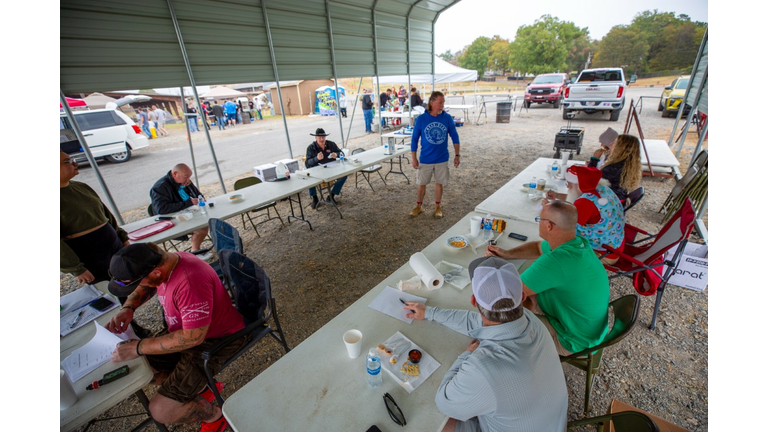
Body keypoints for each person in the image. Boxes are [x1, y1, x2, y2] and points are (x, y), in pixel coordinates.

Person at [403, 256, 568, 431]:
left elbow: (444, 402)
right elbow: (473, 321)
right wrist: (430, 312)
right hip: (552, 424)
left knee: (441, 424)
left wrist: (466, 355)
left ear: (473, 301)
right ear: (522, 297)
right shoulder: (531, 320)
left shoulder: (482, 368)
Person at [106, 242, 248, 431]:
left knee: (161, 411)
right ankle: (200, 389)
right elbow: (145, 287)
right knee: (144, 368)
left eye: (137, 282)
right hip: (187, 332)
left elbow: (192, 338)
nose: (137, 287)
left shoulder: (190, 282)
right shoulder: (165, 261)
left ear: (156, 272)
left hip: (216, 339)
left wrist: (138, 347)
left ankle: (216, 417)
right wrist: (128, 308)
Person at [486, 200, 610, 356]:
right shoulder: (576, 243)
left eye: (539, 219)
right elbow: (538, 247)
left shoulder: (557, 261)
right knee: (524, 298)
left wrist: (488, 270)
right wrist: (507, 254)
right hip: (587, 329)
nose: (538, 222)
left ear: (549, 226)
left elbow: (509, 292)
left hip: (573, 340)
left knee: (500, 320)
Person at [60, 150, 130, 287]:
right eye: (67, 161)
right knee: (112, 290)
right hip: (91, 255)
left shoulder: (82, 187)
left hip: (114, 245)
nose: (75, 163)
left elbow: (106, 215)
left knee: (131, 283)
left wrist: (123, 238)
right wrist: (76, 268)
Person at [545, 165, 625, 262]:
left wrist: (548, 207)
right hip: (614, 242)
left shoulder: (585, 203)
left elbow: (564, 226)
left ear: (580, 184)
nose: (568, 186)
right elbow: (576, 196)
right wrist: (557, 195)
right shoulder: (601, 188)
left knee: (553, 239)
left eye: (570, 183)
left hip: (604, 252)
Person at [409, 91, 460, 219]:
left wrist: (457, 155)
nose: (442, 105)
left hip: (442, 158)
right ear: (432, 102)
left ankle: (438, 206)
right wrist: (414, 158)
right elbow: (414, 139)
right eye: (440, 102)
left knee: (439, 183)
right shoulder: (421, 119)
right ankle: (419, 206)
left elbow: (455, 137)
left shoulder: (447, 118)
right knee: (421, 183)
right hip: (425, 158)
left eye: (443, 102)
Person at [150, 163, 211, 257]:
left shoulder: (183, 181)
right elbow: (161, 209)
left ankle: (200, 249)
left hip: (189, 214)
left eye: (189, 177)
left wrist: (197, 196)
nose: (188, 180)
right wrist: (189, 203)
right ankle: (195, 252)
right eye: (186, 177)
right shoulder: (160, 187)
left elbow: (199, 195)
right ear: (175, 174)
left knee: (210, 221)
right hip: (172, 220)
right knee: (202, 228)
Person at [588, 134, 642, 202]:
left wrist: (594, 159)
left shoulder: (614, 167)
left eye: (615, 142)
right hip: (618, 199)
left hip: (608, 202)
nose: (610, 144)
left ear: (621, 148)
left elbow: (589, 181)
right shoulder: (627, 165)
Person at [305, 128, 347, 209]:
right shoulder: (311, 148)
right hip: (317, 171)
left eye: (323, 137)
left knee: (344, 175)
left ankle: (331, 196)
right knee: (309, 178)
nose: (321, 139)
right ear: (315, 138)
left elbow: (342, 153)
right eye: (319, 137)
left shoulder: (331, 144)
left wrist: (336, 154)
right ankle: (315, 198)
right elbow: (307, 164)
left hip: (332, 169)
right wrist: (316, 159)